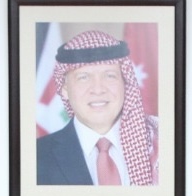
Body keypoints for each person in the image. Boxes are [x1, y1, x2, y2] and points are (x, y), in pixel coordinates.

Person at [36, 30, 158, 187]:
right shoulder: (36, 157)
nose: (98, 89)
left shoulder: (160, 143)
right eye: (84, 77)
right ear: (64, 89)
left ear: (125, 83)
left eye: (109, 76)